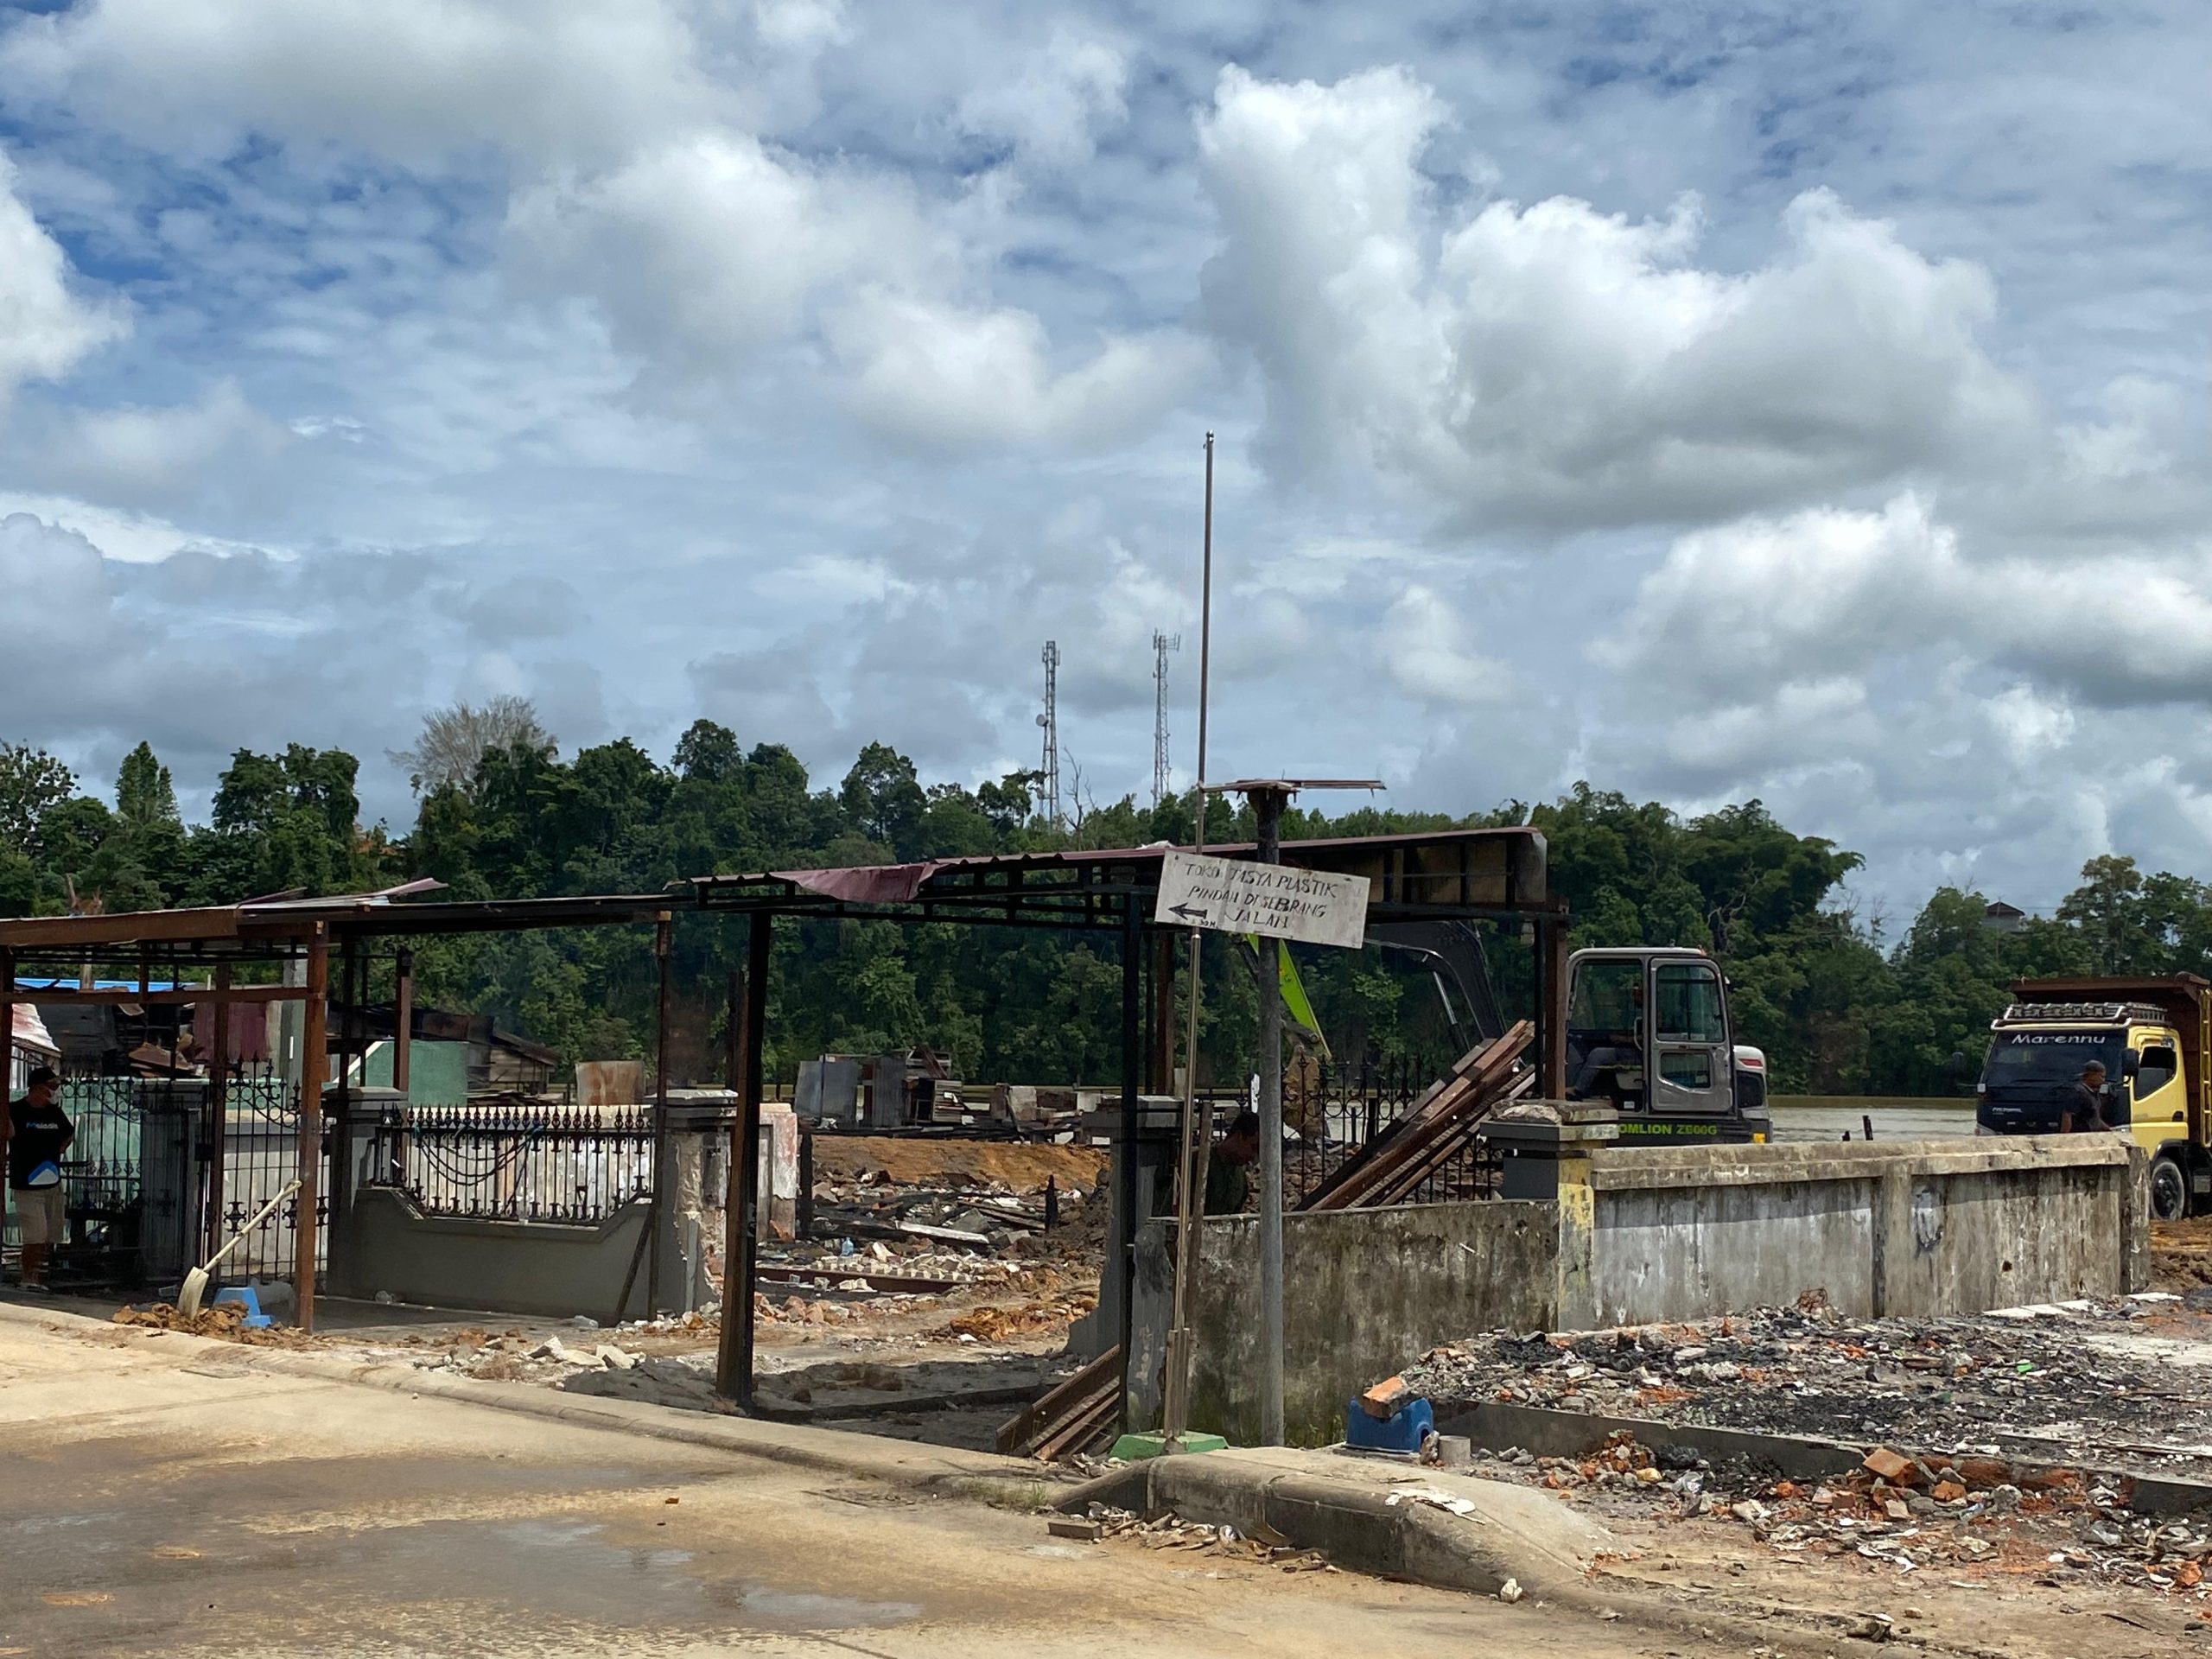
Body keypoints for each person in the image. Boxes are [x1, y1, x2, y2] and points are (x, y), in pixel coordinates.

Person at [8, 1065, 73, 1291]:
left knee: (51, 1233)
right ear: (38, 1088)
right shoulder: (14, 1110)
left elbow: (68, 1133)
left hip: (52, 1182)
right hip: (27, 1183)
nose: (56, 1090)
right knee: (35, 1233)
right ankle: (28, 1278)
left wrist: (56, 1151)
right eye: (53, 1086)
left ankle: (41, 1277)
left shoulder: (54, 1112)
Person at [1205, 1109, 1261, 1215]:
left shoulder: (1240, 1177)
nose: (1253, 1156)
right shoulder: (1200, 1164)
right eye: (1253, 1147)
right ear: (1239, 1136)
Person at [2063, 1060, 2113, 1135]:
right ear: (2091, 1075)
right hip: (2080, 1138)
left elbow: (2094, 1118)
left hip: (2092, 1138)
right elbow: (2067, 1115)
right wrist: (2064, 1137)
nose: (2103, 1081)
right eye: (2101, 1077)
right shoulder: (2078, 1092)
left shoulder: (2094, 1094)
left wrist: (2109, 1130)